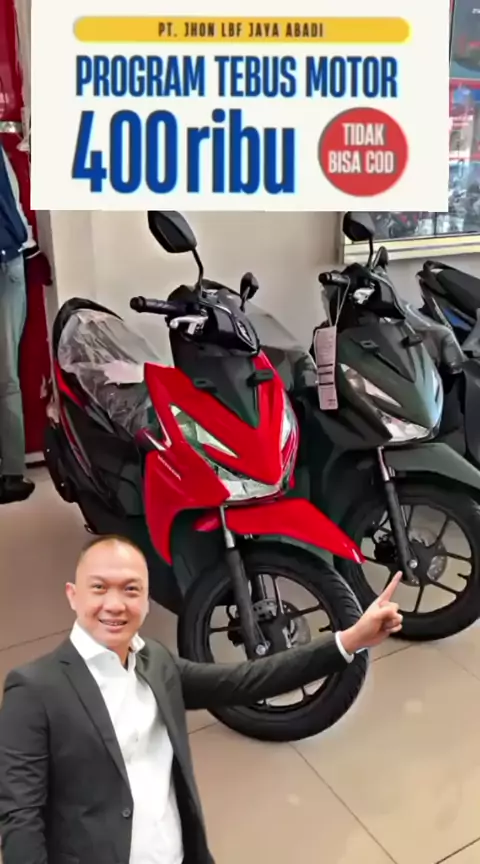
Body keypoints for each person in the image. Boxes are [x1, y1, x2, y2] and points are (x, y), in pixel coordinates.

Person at [0, 534, 403, 864]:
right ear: (73, 595)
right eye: (99, 588)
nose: (115, 604)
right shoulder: (33, 689)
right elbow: (20, 821)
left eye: (131, 589)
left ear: (146, 601)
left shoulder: (155, 662)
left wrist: (350, 640)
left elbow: (245, 680)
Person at [0, 142, 49, 505]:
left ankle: (12, 472)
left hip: (7, 261)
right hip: (7, 261)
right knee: (6, 377)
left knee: (5, 378)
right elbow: (12, 198)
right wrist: (29, 245)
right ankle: (12, 474)